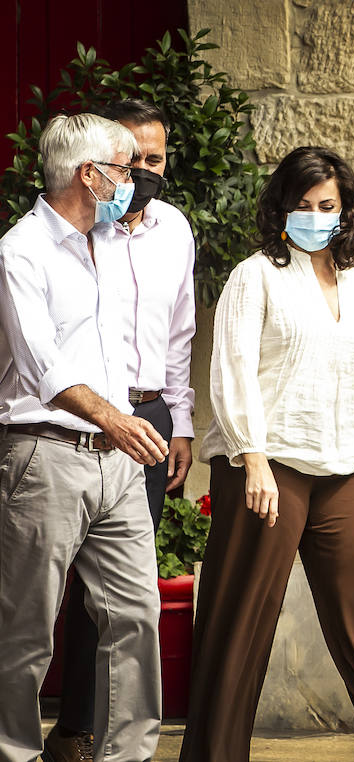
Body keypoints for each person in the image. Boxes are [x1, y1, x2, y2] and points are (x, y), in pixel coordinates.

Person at [182, 146, 354, 762]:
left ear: (346, 210)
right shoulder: (255, 275)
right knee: (241, 625)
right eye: (302, 205)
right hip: (268, 466)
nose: (314, 215)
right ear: (282, 209)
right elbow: (231, 373)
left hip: (346, 468)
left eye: (326, 206)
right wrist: (251, 457)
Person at [0, 113, 166, 762]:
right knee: (26, 630)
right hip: (45, 456)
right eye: (125, 169)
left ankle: (128, 757)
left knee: (136, 618)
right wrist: (115, 417)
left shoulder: (116, 243)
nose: (134, 182)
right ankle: (13, 752)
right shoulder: (20, 251)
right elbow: (43, 366)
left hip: (117, 461)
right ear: (89, 174)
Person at [44, 98, 198, 762]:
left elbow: (180, 333)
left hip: (153, 416)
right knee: (69, 588)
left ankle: (105, 735)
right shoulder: (82, 230)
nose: (143, 171)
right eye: (130, 159)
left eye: (154, 159)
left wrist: (181, 422)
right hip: (81, 419)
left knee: (127, 592)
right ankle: (70, 729)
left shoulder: (175, 230)